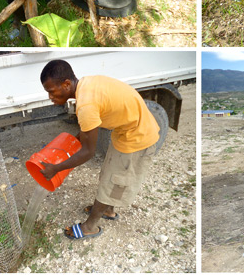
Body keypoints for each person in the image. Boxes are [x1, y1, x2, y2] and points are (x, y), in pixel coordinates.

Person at [38, 59, 161, 241]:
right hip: (127, 130)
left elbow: (88, 152)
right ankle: (108, 209)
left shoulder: (85, 106)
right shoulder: (86, 84)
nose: (50, 97)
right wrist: (70, 145)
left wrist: (55, 168)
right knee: (110, 176)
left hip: (137, 138)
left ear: (66, 84)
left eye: (51, 91)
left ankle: (89, 227)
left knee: (114, 181)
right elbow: (88, 130)